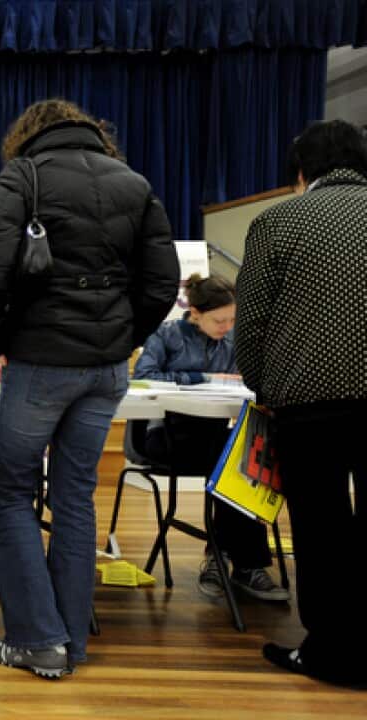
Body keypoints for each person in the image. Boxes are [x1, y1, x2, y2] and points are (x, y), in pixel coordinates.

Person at [0, 99, 179, 678]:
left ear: (28, 136)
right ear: (93, 135)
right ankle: (72, 643)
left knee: (11, 492)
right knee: (75, 496)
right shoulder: (134, 183)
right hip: (106, 368)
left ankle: (37, 640)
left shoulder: (22, 176)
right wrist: (120, 336)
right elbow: (164, 282)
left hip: (39, 360)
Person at [236, 119, 367, 687]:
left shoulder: (277, 221)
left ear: (300, 173)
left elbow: (252, 323)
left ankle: (334, 653)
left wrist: (265, 385)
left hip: (310, 401)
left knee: (321, 527)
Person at [133, 273, 288, 603]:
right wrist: (202, 377)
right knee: (232, 461)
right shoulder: (167, 334)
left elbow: (244, 381)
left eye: (233, 319)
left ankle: (225, 559)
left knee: (240, 457)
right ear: (195, 312)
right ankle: (243, 565)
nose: (227, 326)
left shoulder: (231, 341)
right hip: (166, 437)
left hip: (214, 436)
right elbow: (143, 377)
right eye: (220, 320)